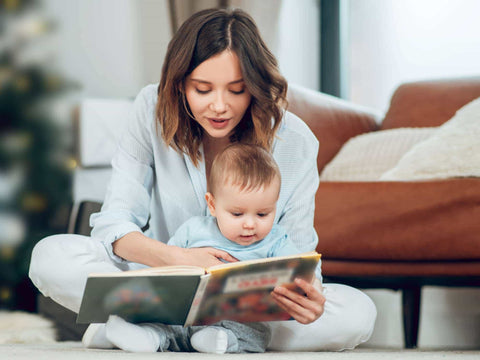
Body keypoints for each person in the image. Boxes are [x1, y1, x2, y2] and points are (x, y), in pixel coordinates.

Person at [29, 8, 376, 352]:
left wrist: (307, 297)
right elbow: (114, 224)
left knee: (357, 314)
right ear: (180, 85)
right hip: (160, 280)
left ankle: (136, 328)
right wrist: (177, 259)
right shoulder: (151, 109)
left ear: (255, 87)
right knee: (50, 256)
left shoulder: (294, 140)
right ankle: (174, 330)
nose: (219, 106)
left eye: (237, 90)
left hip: (248, 307)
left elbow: (300, 255)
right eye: (203, 89)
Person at [96, 143, 315, 353]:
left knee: (259, 333)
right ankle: (147, 337)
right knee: (161, 322)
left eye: (263, 214)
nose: (250, 224)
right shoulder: (193, 230)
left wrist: (307, 287)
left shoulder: (277, 240)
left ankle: (219, 340)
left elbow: (300, 274)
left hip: (237, 320)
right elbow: (165, 271)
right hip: (184, 313)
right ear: (212, 205)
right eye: (237, 214)